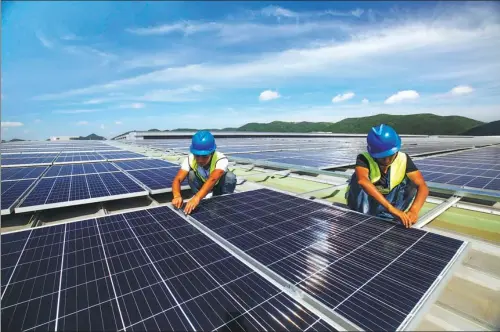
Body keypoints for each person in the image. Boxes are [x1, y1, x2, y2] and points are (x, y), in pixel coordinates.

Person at [345, 124, 429, 228]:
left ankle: (389, 216)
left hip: (388, 199)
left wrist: (414, 211)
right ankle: (361, 216)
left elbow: (422, 186)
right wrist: (390, 208)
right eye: (381, 157)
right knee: (357, 179)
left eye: (390, 156)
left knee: (411, 182)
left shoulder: (403, 159)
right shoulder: (363, 159)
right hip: (366, 200)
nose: (387, 161)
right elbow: (363, 181)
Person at [171, 130, 237, 215]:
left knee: (230, 177)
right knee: (191, 174)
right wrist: (177, 195)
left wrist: (197, 198)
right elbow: (178, 179)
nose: (200, 160)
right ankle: (199, 199)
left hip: (218, 186)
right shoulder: (190, 159)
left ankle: (223, 200)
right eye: (197, 156)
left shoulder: (221, 159)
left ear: (212, 152)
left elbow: (213, 179)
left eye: (204, 156)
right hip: (202, 184)